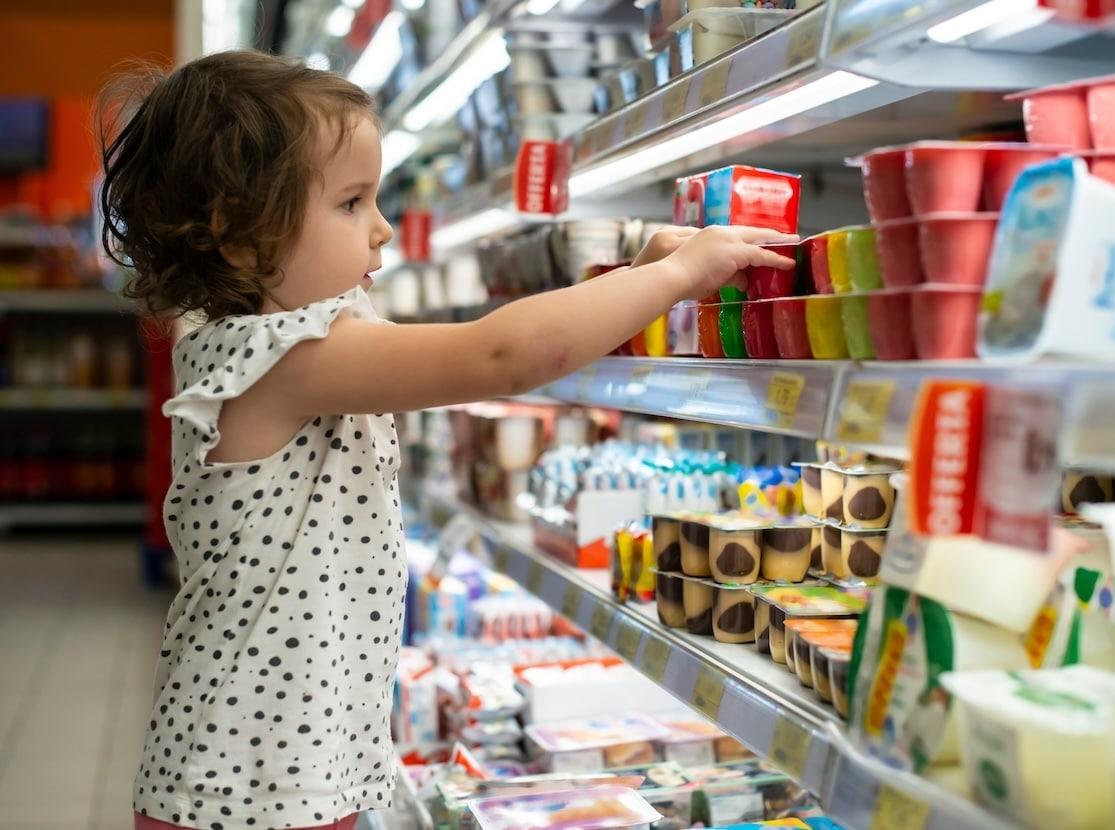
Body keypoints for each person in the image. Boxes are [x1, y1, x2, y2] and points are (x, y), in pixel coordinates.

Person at [99, 49, 795, 830]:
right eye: (352, 203)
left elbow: (497, 341)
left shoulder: (295, 348)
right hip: (249, 789)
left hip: (289, 770)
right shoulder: (275, 358)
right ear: (236, 234)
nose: (382, 228)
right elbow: (499, 353)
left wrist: (628, 276)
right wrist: (671, 279)